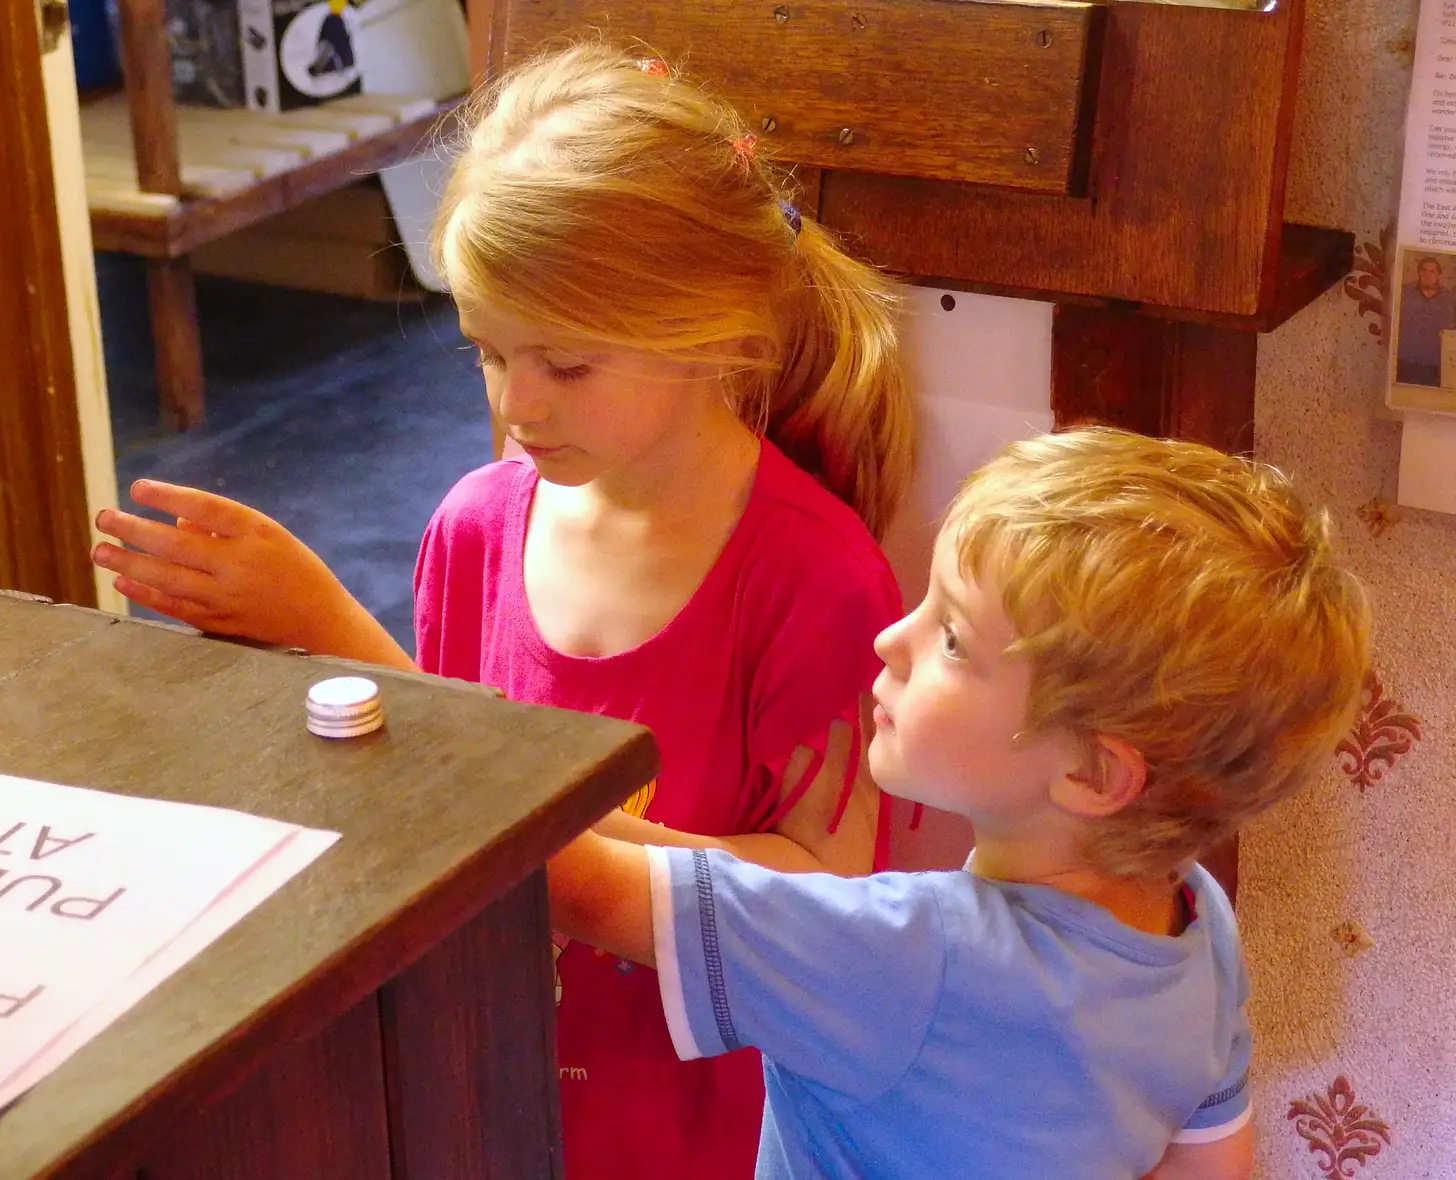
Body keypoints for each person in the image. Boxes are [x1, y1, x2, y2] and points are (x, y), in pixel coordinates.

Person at [91, 44, 929, 1179]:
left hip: (695, 1128)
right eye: (487, 352)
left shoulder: (813, 581)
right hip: (494, 1072)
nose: (513, 403)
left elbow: (832, 910)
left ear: (713, 330)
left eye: (566, 366)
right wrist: (308, 627)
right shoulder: (475, 526)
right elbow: (455, 782)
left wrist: (341, 631)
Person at [548, 427, 1373, 1180]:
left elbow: (570, 882)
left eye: (951, 639)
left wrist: (424, 714)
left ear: (1093, 774)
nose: (890, 640)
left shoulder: (910, 958)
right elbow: (1211, 1166)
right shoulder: (1196, 923)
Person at [1396, 255, 1456, 386]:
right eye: (1424, 270)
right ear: (1418, 273)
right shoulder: (1404, 293)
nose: (1427, 274)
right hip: (1403, 360)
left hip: (1433, 365)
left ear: (1438, 275)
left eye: (1432, 271)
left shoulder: (1449, 299)